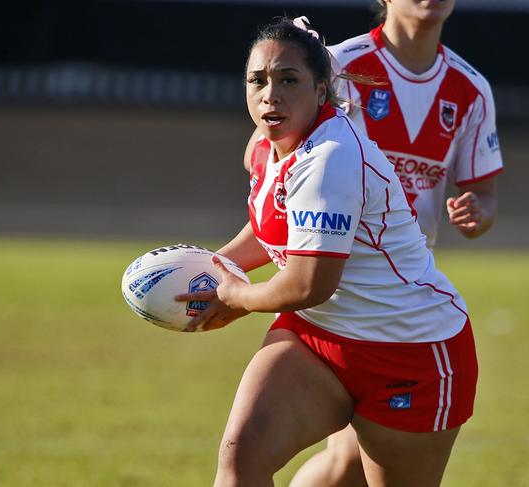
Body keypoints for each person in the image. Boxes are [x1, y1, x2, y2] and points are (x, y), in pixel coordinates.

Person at [176, 16, 478, 487]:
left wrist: (237, 296)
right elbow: (272, 231)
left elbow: (308, 283)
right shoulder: (264, 145)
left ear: (321, 91)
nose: (270, 95)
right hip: (316, 339)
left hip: (410, 351)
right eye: (258, 81)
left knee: (350, 476)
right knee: (241, 462)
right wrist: (215, 268)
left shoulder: (330, 158)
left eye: (288, 80)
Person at [289, 1, 503, 485]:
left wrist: (477, 213)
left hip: (402, 291)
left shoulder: (471, 89)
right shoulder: (338, 64)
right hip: (339, 279)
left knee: (348, 466)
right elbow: (276, 146)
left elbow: (486, 198)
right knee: (346, 461)